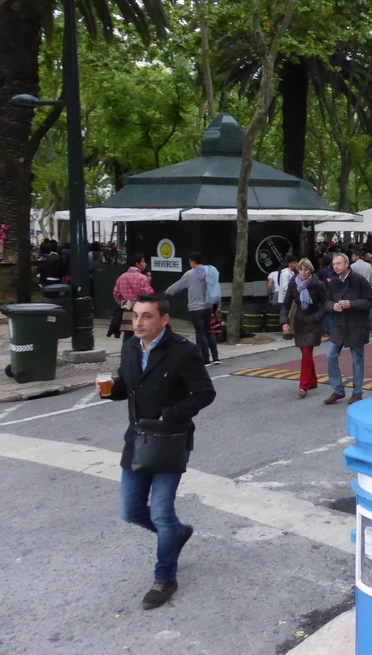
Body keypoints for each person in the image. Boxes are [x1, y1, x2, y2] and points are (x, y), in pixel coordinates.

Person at [102, 293, 215, 610]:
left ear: (163, 319)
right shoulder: (129, 347)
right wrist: (111, 389)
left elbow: (205, 393)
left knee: (161, 513)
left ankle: (165, 578)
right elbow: (126, 386)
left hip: (169, 440)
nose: (138, 322)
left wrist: (172, 413)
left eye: (146, 316)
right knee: (131, 511)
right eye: (136, 315)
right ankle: (177, 534)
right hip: (136, 440)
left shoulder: (183, 352)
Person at [323, 252, 372, 406]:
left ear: (346, 264)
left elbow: (370, 301)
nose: (336, 267)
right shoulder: (332, 282)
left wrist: (352, 304)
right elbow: (326, 301)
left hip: (356, 325)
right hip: (338, 325)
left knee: (357, 360)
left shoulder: (359, 280)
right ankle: (338, 389)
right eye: (334, 264)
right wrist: (333, 306)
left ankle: (357, 392)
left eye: (339, 263)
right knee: (330, 356)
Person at [280, 258, 327, 398]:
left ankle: (303, 385)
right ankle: (312, 381)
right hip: (300, 321)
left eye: (306, 270)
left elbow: (325, 304)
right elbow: (286, 304)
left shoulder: (318, 285)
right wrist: (284, 322)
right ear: (298, 270)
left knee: (307, 352)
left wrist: (318, 317)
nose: (303, 272)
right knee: (305, 353)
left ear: (310, 270)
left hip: (313, 322)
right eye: (301, 269)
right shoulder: (293, 284)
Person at [164, 252, 220, 366]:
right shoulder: (211, 272)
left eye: (190, 262)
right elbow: (216, 288)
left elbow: (178, 285)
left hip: (196, 307)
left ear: (192, 261)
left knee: (200, 333)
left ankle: (205, 359)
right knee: (210, 332)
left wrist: (167, 292)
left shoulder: (190, 274)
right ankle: (216, 357)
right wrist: (217, 305)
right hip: (209, 306)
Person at [112, 254, 154, 353]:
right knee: (142, 331)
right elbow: (146, 294)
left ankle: (126, 353)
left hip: (127, 307)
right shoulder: (142, 278)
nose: (145, 264)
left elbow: (116, 294)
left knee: (128, 333)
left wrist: (123, 303)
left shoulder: (121, 277)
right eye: (143, 262)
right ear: (137, 263)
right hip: (141, 308)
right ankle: (141, 352)